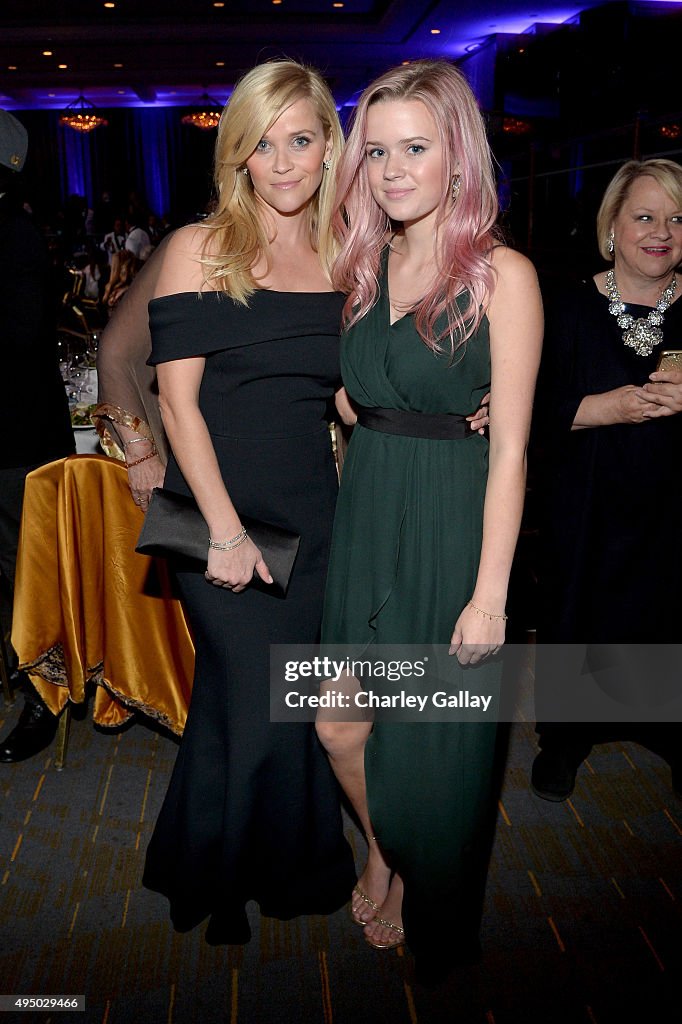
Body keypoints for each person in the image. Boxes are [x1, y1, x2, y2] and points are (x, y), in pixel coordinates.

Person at [315, 60, 543, 981]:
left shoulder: (503, 276)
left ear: (459, 159)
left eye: (416, 147)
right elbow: (356, 389)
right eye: (377, 151)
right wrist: (360, 401)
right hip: (368, 512)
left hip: (451, 523)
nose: (393, 168)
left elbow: (514, 451)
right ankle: (385, 846)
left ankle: (405, 871)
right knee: (339, 724)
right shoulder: (364, 265)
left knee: (426, 750)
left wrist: (489, 598)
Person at [140, 60, 359, 943]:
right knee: (252, 694)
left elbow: (344, 396)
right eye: (261, 142)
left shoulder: (347, 254)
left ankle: (253, 859)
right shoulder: (203, 247)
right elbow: (175, 402)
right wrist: (226, 536)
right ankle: (225, 873)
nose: (280, 162)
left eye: (299, 140)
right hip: (218, 517)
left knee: (276, 701)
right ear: (237, 151)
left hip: (314, 515)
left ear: (326, 147)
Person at [531, 159, 682, 802]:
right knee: (580, 611)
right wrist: (606, 408)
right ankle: (564, 738)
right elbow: (525, 410)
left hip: (673, 505)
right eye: (645, 217)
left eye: (678, 220)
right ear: (612, 228)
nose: (663, 232)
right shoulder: (563, 304)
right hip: (586, 501)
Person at [0, 109, 75, 763]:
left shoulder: (15, 234)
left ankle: (41, 700)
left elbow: (24, 335)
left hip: (18, 442)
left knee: (29, 575)